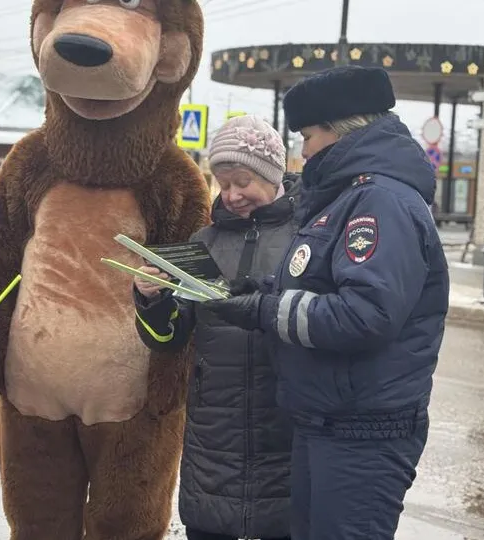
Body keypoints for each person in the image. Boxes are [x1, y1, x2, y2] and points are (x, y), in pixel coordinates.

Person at [198, 65, 450, 539]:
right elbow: (318, 281)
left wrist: (265, 311)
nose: (304, 150)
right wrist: (266, 292)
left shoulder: (380, 201)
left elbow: (364, 315)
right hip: (327, 423)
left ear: (340, 130)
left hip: (362, 434)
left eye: (308, 136)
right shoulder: (346, 197)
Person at [133, 115, 296, 540]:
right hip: (213, 436)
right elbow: (169, 339)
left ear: (272, 173)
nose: (233, 195)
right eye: (223, 184)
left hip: (282, 427)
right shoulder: (203, 242)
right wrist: (152, 300)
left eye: (243, 181)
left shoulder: (308, 236)